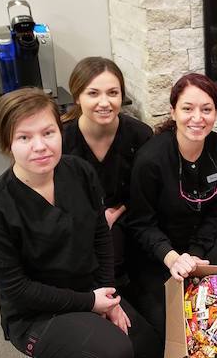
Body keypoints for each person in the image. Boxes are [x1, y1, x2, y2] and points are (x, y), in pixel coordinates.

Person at [0, 88, 164, 358]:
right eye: (24, 137)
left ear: (60, 131)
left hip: (88, 287)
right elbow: (19, 290)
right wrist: (90, 304)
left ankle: (85, 333)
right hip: (35, 313)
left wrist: (108, 295)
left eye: (48, 132)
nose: (40, 146)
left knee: (147, 356)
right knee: (115, 355)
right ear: (7, 142)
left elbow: (100, 235)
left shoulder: (78, 171)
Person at [126, 73, 217, 331]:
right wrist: (171, 258)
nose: (197, 118)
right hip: (157, 251)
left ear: (216, 113)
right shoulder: (151, 159)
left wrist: (195, 254)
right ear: (173, 112)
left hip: (200, 242)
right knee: (169, 321)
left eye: (206, 109)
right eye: (187, 108)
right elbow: (140, 224)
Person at [62, 57, 152, 289]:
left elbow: (146, 189)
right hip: (78, 218)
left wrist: (115, 212)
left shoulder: (140, 135)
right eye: (93, 93)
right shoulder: (62, 139)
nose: (105, 102)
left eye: (113, 93)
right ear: (77, 97)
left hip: (126, 212)